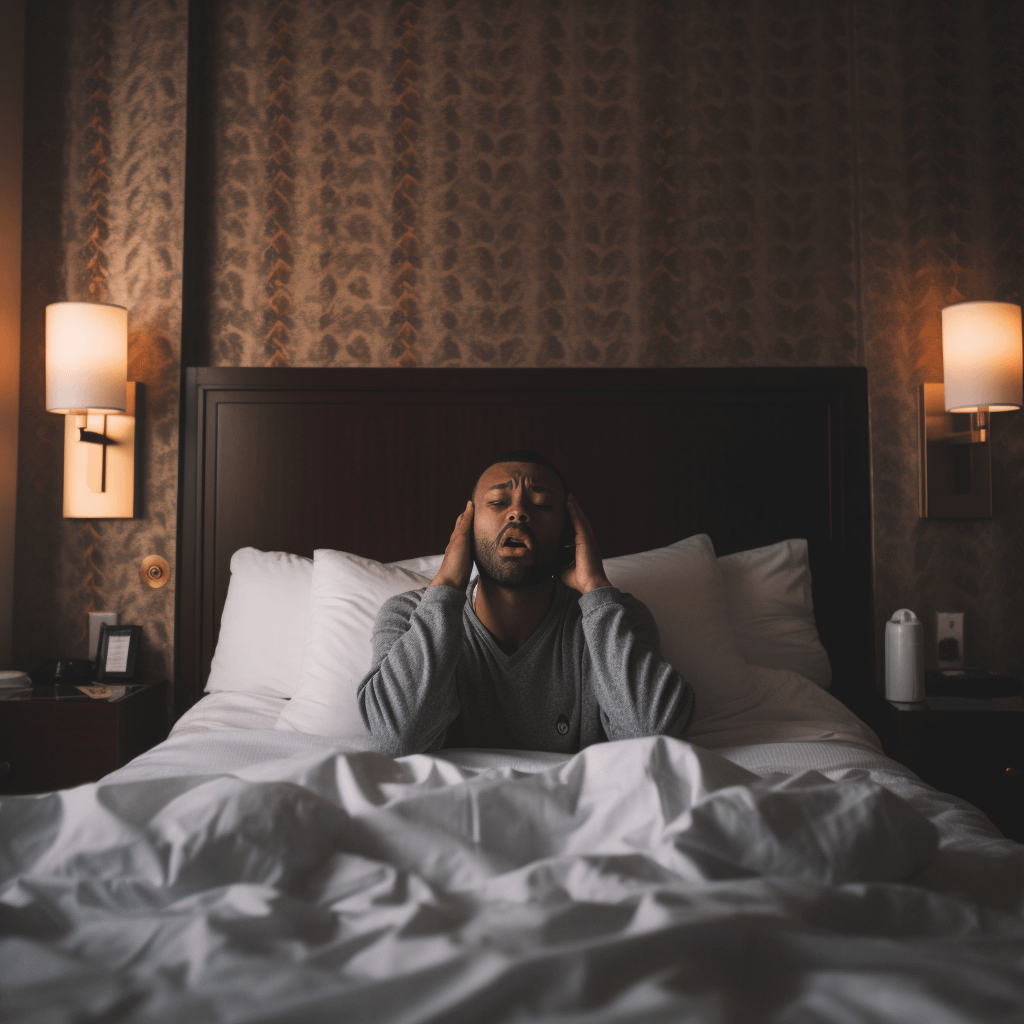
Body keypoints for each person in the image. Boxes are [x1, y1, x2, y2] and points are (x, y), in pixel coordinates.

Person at [357, 450, 694, 756]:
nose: (518, 512)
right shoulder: (408, 615)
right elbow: (396, 739)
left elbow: (653, 737)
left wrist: (595, 589)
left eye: (542, 504)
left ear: (568, 531)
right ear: (468, 525)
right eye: (498, 502)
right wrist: (446, 586)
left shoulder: (619, 616)